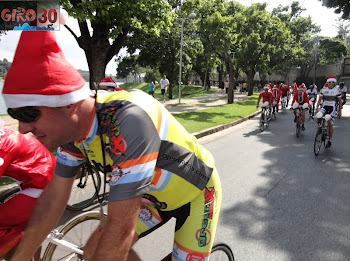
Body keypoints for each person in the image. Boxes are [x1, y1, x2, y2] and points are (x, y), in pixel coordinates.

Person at [3, 31, 222, 261]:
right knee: (94, 252)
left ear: (68, 104)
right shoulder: (70, 135)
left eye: (29, 114)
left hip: (196, 194)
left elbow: (120, 229)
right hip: (152, 200)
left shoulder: (130, 120)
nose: (22, 129)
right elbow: (52, 202)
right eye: (15, 115)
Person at [0, 124, 55, 260]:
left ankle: (23, 248)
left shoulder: (3, 146)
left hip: (42, 186)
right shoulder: (4, 135)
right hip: (40, 181)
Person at [315, 76, 342, 148]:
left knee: (329, 123)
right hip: (324, 107)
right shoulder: (323, 90)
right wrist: (316, 108)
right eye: (329, 82)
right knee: (318, 116)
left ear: (334, 83)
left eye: (332, 82)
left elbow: (340, 101)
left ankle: (330, 140)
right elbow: (319, 100)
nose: (330, 83)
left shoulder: (337, 90)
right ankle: (320, 128)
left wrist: (340, 111)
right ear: (327, 82)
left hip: (332, 108)